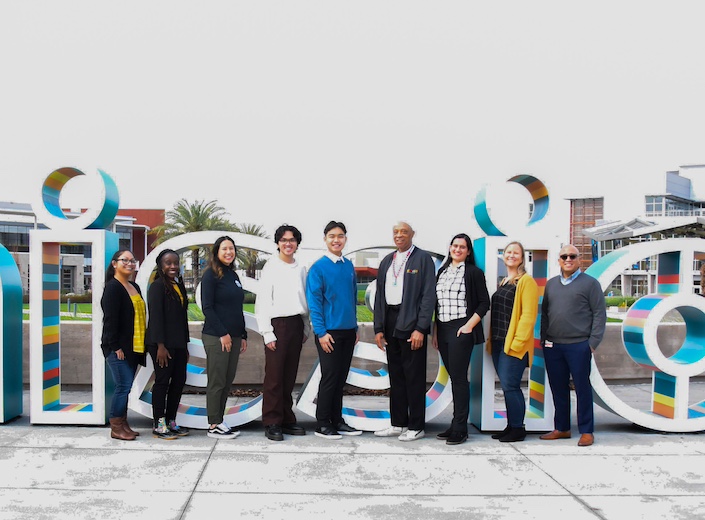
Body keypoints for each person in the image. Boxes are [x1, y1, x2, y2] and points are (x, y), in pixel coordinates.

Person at [373, 221, 436, 442]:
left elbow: (428, 296)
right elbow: (379, 295)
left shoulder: (423, 259)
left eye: (404, 232)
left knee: (414, 377)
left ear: (412, 234)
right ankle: (398, 423)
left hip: (411, 323)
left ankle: (416, 426)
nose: (399, 235)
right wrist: (379, 328)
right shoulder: (387, 261)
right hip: (390, 322)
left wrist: (421, 328)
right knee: (397, 377)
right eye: (396, 232)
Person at [540, 244, 606, 447]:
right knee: (558, 388)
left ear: (579, 260)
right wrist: (544, 340)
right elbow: (546, 314)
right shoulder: (551, 284)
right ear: (558, 260)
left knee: (582, 388)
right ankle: (562, 428)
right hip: (554, 345)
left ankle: (587, 431)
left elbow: (599, 314)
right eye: (564, 256)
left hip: (579, 345)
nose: (568, 259)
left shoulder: (590, 284)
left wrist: (592, 343)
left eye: (572, 256)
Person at [431, 233, 490, 445]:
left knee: (458, 378)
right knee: (454, 377)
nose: (457, 249)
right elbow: (437, 305)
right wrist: (436, 332)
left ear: (468, 251)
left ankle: (460, 428)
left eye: (462, 247)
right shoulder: (442, 272)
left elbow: (484, 303)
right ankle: (456, 423)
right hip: (444, 329)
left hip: (461, 328)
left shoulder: (473, 272)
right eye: (455, 246)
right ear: (450, 248)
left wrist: (468, 326)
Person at [305, 221, 361, 440]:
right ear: (325, 239)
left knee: (340, 378)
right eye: (331, 236)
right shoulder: (318, 268)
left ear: (345, 238)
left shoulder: (348, 266)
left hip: (348, 332)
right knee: (329, 377)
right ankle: (322, 423)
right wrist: (321, 332)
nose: (336, 240)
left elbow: (352, 299)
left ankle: (337, 420)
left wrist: (355, 327)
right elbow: (315, 303)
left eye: (340, 236)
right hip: (329, 333)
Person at [256, 224, 310, 441]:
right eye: (284, 240)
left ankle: (287, 419)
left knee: (289, 377)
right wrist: (267, 332)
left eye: (292, 240)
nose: (288, 243)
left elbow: (305, 299)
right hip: (277, 326)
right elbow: (263, 302)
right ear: (278, 243)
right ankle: (272, 421)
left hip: (296, 324)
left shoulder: (301, 268)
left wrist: (306, 327)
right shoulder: (271, 267)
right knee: (275, 378)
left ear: (297, 243)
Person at [486, 242, 539, 443]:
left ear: (522, 257)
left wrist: (517, 343)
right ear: (503, 255)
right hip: (499, 343)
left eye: (516, 253)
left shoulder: (526, 282)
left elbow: (528, 316)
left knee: (511, 386)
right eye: (508, 252)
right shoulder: (504, 282)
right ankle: (511, 425)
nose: (511, 255)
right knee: (507, 386)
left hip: (513, 345)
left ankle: (518, 428)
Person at [201, 236, 248, 439]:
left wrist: (242, 334)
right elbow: (207, 308)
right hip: (217, 337)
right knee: (217, 381)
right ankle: (213, 424)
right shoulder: (211, 275)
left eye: (231, 249)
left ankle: (219, 419)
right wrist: (223, 334)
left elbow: (237, 308)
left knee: (227, 381)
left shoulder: (232, 275)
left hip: (234, 336)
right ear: (216, 252)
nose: (229, 252)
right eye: (224, 249)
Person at [101, 249, 146, 441]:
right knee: (123, 386)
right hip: (117, 348)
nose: (130, 263)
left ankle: (124, 424)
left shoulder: (134, 286)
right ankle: (116, 427)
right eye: (124, 260)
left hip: (134, 346)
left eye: (132, 260)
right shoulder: (113, 287)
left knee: (125, 387)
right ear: (114, 264)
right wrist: (115, 346)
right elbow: (110, 320)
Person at [145, 249, 190, 440]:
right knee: (162, 382)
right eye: (168, 263)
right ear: (160, 266)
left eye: (175, 263)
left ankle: (171, 420)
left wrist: (185, 345)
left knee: (178, 382)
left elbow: (181, 318)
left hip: (178, 343)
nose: (172, 266)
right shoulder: (157, 287)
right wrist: (160, 345)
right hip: (161, 344)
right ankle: (159, 423)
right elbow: (156, 317)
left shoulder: (178, 284)